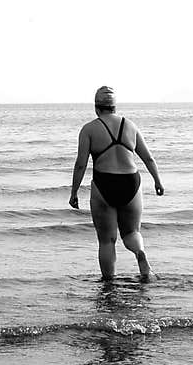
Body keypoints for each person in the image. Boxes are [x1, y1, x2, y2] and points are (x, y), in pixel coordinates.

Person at [69, 86, 164, 280]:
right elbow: (148, 158)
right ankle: (139, 252)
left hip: (105, 182)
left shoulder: (89, 129)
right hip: (131, 181)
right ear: (114, 106)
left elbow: (80, 164)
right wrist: (157, 181)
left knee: (107, 241)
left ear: (96, 107)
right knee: (131, 232)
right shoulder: (130, 125)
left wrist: (74, 192)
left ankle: (109, 284)